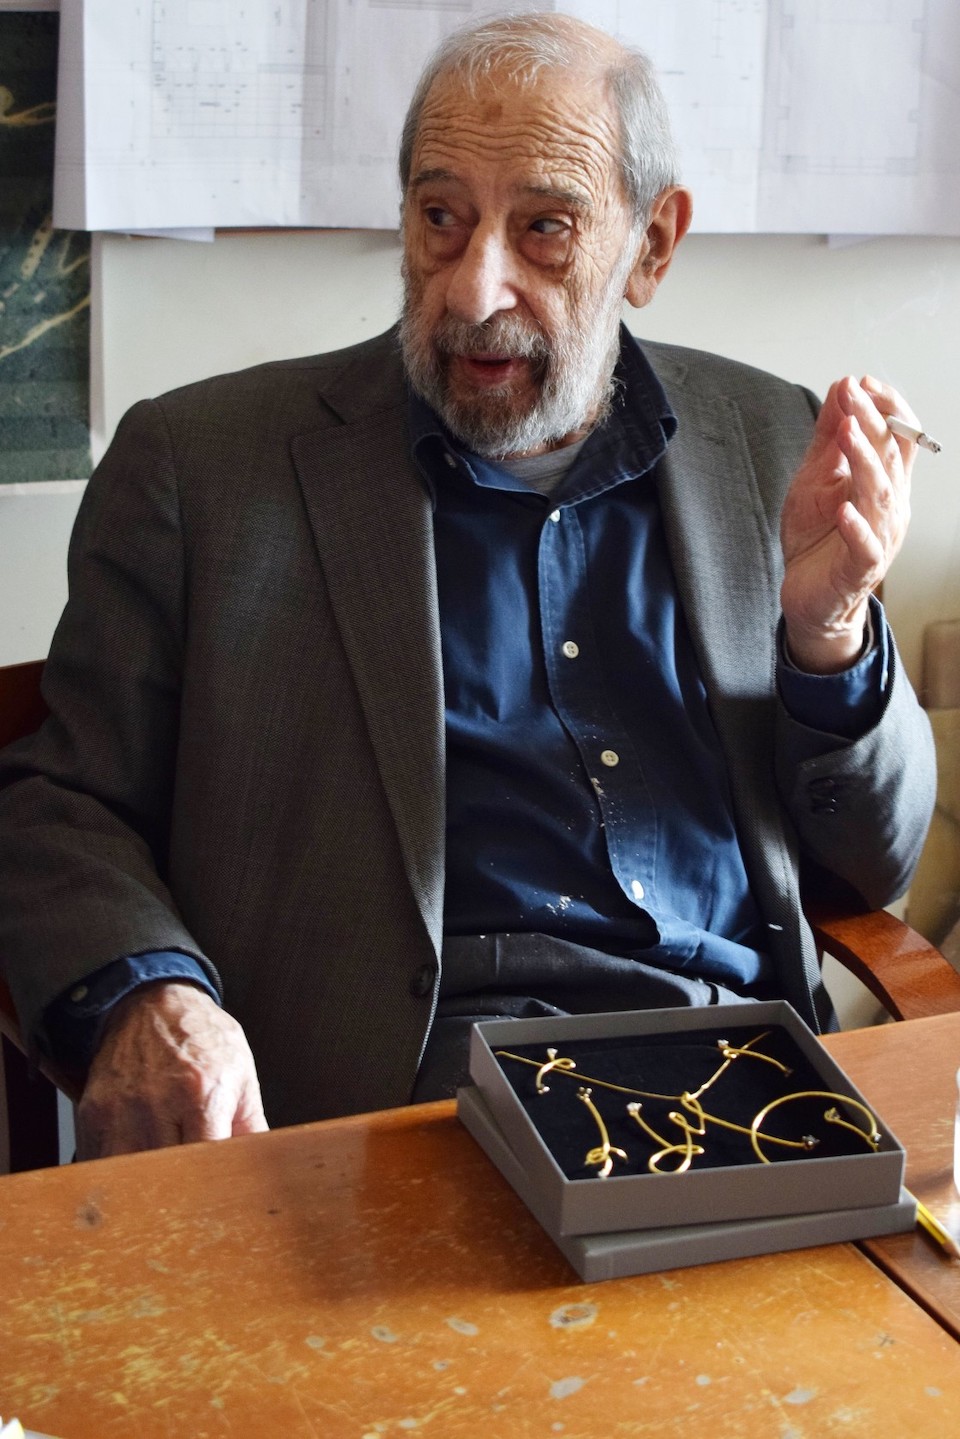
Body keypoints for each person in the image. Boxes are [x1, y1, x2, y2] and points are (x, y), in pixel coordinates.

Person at [0, 13, 935, 1159]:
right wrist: (148, 992)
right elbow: (60, 802)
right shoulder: (205, 468)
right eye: (441, 217)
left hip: (739, 1089)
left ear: (651, 246)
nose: (475, 287)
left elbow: (871, 863)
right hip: (389, 1109)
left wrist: (829, 631)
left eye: (544, 227)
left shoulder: (771, 439)